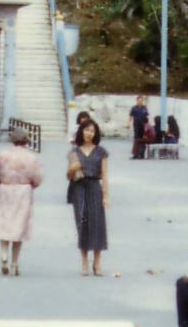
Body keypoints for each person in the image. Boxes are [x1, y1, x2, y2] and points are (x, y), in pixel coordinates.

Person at [0, 128, 43, 276]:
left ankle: (4, 255)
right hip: (23, 190)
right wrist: (31, 185)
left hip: (6, 189)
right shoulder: (31, 157)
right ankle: (15, 262)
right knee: (20, 225)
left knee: (5, 222)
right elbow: (37, 177)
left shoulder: (3, 155)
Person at [67, 117, 109, 276]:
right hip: (78, 188)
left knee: (98, 224)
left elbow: (105, 174)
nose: (89, 133)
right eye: (86, 130)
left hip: (94, 187)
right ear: (81, 131)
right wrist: (72, 168)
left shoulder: (101, 152)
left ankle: (97, 263)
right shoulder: (74, 152)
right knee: (82, 224)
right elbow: (69, 175)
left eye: (92, 131)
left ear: (95, 133)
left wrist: (106, 195)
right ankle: (84, 262)